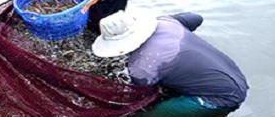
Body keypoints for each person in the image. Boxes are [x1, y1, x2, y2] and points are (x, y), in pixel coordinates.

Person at [92, 9, 249, 117]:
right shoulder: (166, 22)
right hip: (235, 76)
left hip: (219, 99)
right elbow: (195, 17)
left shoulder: (141, 67)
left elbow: (138, 94)